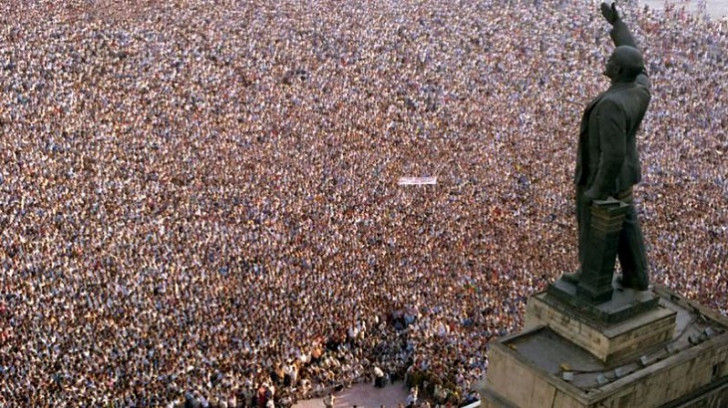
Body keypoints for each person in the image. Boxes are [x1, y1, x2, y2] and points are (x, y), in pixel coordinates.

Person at [564, 2, 651, 291]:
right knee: (627, 225)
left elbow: (612, 155)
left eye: (612, 59)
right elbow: (639, 62)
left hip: (605, 178)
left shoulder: (613, 104)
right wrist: (618, 25)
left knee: (593, 227)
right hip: (624, 177)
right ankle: (637, 275)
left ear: (619, 70)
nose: (608, 61)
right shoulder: (638, 89)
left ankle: (591, 279)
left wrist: (595, 190)